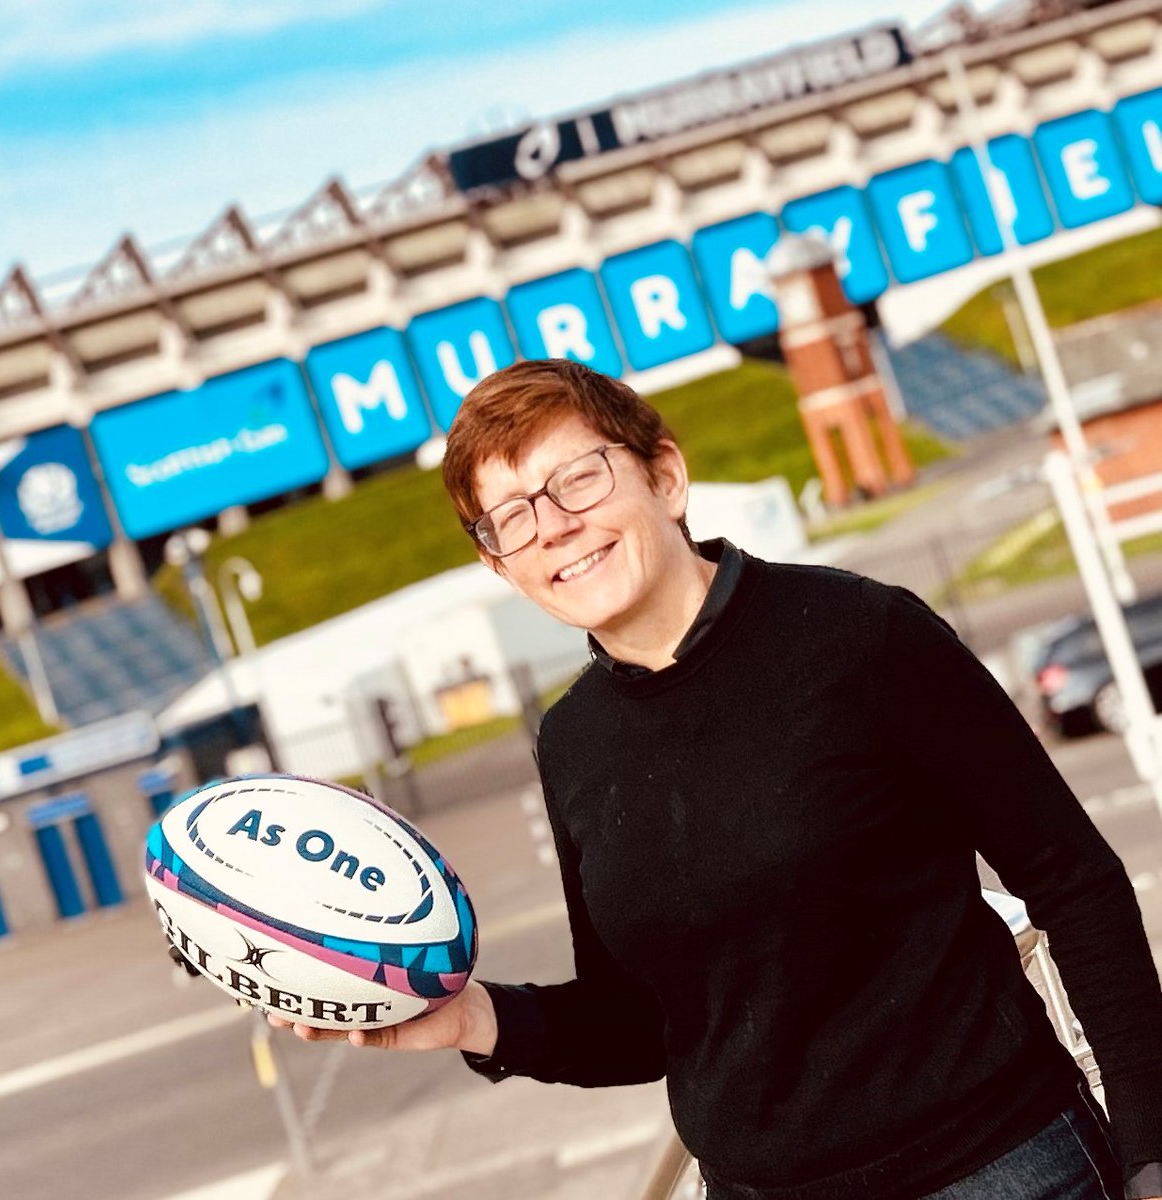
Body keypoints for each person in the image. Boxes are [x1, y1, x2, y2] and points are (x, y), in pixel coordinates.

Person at [271, 359, 1162, 1200]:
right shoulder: (574, 742)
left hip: (997, 1168)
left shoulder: (860, 634)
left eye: (577, 479)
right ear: (499, 562)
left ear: (664, 476)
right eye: (509, 516)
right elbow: (644, 1024)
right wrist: (470, 1020)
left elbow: (1074, 881)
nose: (552, 526)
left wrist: (1152, 1152)